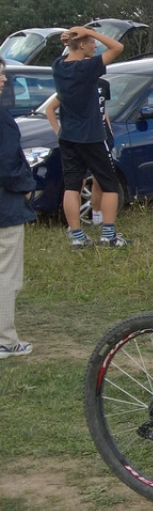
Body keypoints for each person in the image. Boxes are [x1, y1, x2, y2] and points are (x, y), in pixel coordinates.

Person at [51, 25, 127, 248]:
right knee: (109, 184)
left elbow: (68, 52)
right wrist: (89, 31)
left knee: (72, 186)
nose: (96, 45)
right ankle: (108, 235)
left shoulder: (58, 66)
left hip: (68, 135)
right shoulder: (88, 67)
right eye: (92, 42)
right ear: (83, 44)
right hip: (93, 135)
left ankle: (77, 236)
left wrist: (70, 40)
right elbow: (118, 47)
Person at [0, 58, 37, 359]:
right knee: (6, 275)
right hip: (4, 207)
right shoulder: (1, 117)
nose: (3, 80)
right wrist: (25, 184)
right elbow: (7, 161)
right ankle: (4, 339)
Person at [46, 77, 113, 224]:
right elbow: (50, 109)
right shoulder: (72, 84)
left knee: (101, 179)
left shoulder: (103, 84)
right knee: (77, 182)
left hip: (101, 137)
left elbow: (102, 109)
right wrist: (59, 132)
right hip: (79, 139)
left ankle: (97, 216)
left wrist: (109, 130)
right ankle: (74, 226)